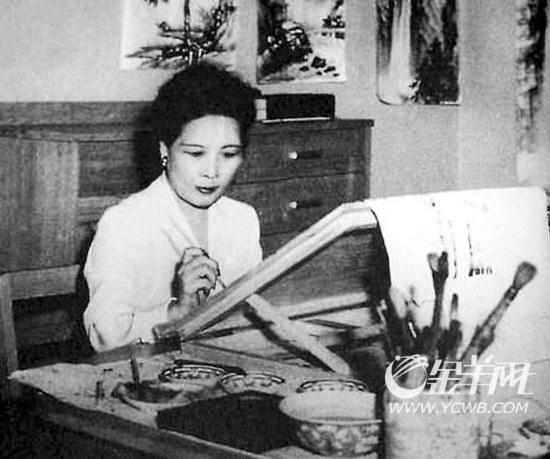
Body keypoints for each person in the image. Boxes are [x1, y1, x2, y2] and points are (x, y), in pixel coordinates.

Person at [83, 62, 262, 352]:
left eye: (229, 154)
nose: (212, 172)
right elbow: (104, 338)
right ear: (164, 150)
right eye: (196, 153)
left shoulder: (242, 219)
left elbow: (251, 319)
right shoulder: (124, 223)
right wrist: (176, 313)